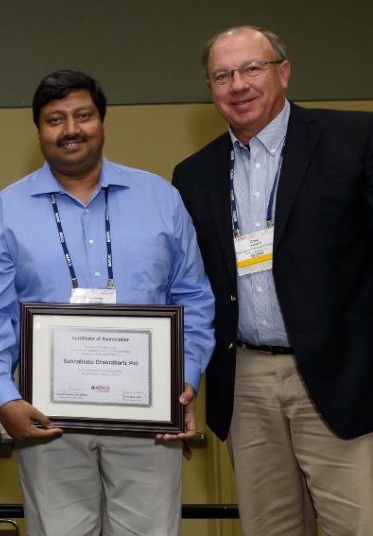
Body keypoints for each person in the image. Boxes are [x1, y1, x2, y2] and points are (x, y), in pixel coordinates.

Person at [0, 70, 215, 536]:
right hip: (47, 420)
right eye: (54, 119)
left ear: (102, 121)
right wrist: (3, 399)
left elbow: (193, 299)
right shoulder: (9, 207)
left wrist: (183, 381)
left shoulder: (161, 198)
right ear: (39, 131)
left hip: (148, 417)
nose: (70, 129)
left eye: (82, 115)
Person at [172, 26, 373, 535]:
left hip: (340, 374)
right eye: (223, 75)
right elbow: (189, 286)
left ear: (283, 71)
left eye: (251, 69)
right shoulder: (193, 174)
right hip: (246, 379)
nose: (238, 84)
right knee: (269, 528)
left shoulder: (355, 139)